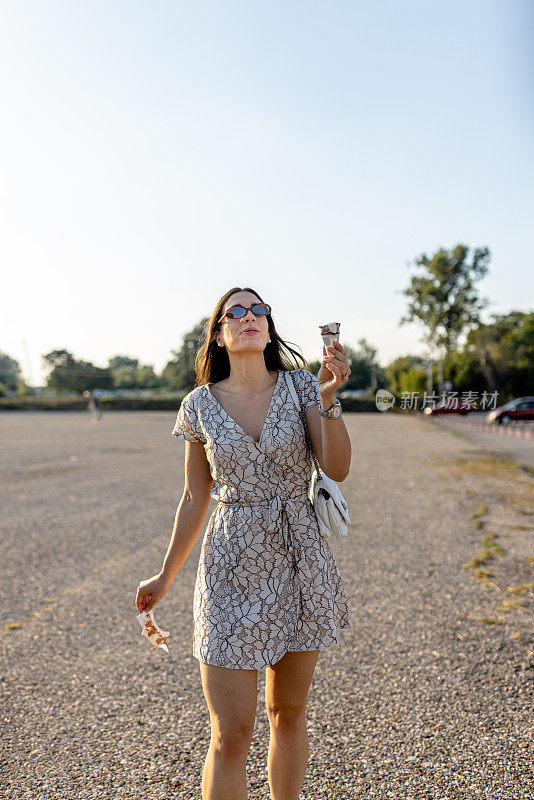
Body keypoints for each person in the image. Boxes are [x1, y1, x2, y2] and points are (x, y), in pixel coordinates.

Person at [135, 287, 353, 800]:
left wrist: (329, 398)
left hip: (302, 560)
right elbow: (194, 498)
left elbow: (337, 467)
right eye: (237, 311)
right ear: (220, 333)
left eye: (259, 309)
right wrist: (164, 575)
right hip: (230, 566)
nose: (250, 316)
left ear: (269, 326)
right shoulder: (198, 406)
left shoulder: (303, 387)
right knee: (231, 733)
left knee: (288, 713)